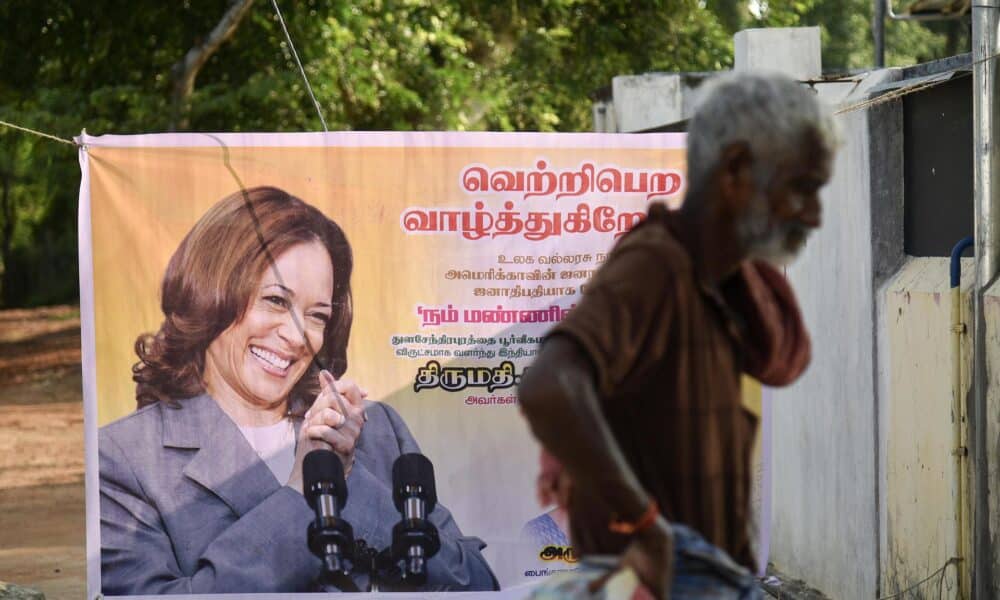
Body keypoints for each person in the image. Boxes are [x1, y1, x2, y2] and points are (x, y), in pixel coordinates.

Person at [518, 71, 837, 599]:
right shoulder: (656, 264)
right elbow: (547, 385)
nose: (814, 213)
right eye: (799, 188)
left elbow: (782, 358)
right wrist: (643, 522)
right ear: (735, 170)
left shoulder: (710, 277)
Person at [99, 186, 499, 594]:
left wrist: (350, 480)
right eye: (275, 300)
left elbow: (479, 585)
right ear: (210, 293)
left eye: (317, 316)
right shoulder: (124, 459)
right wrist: (301, 496)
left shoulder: (376, 429)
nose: (296, 336)